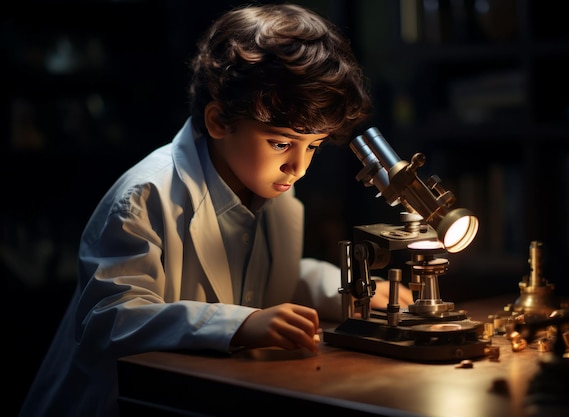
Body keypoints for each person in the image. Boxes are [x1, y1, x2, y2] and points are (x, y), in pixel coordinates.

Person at [19, 3, 414, 417]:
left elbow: (266, 277)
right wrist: (238, 326)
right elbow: (108, 319)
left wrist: (347, 291)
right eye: (281, 143)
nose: (297, 167)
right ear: (219, 121)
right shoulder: (146, 195)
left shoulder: (270, 190)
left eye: (313, 145)